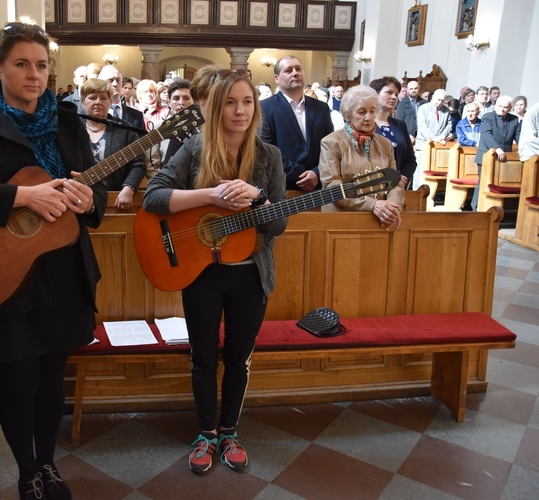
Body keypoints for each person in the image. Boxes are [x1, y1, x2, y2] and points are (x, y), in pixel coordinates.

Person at [0, 21, 106, 500]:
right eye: (22, 64)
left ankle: (48, 464)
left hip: (63, 272)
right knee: (17, 381)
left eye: (42, 65)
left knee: (52, 382)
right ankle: (26, 471)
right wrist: (21, 196)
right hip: (4, 274)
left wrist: (90, 200)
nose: (34, 75)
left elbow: (98, 191)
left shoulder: (68, 122)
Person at [142, 70, 287, 475]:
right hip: (202, 271)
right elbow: (153, 197)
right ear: (216, 105)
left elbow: (276, 225)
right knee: (203, 358)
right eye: (230, 102)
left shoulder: (269, 157)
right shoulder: (194, 148)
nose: (240, 111)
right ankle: (205, 433)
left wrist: (257, 197)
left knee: (238, 359)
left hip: (251, 274)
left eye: (247, 102)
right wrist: (212, 195)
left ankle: (230, 432)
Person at [318, 85, 405, 230]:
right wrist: (373, 204)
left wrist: (392, 208)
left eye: (372, 111)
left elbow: (395, 182)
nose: (368, 117)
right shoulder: (331, 142)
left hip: (379, 221)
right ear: (348, 115)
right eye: (361, 112)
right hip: (341, 221)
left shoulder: (385, 144)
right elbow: (332, 187)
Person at [260, 55, 334, 191]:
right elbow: (266, 149)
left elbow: (330, 146)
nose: (295, 73)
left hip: (317, 185)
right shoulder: (265, 108)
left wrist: (316, 172)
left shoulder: (321, 108)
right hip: (282, 185)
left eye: (298, 69)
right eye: (288, 70)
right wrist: (299, 174)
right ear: (277, 78)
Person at [81, 78, 145, 211]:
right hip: (76, 201)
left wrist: (129, 188)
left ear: (110, 102)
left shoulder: (124, 129)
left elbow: (138, 164)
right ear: (82, 102)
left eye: (104, 98)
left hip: (114, 200)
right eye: (92, 98)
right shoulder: (71, 128)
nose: (98, 102)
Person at [472, 95, 519, 210]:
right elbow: (486, 135)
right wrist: (497, 148)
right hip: (487, 154)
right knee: (483, 182)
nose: (502, 109)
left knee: (500, 184)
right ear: (495, 105)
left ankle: (499, 210)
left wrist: (522, 148)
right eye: (500, 106)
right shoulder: (488, 117)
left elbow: (518, 136)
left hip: (504, 157)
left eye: (505, 107)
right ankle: (476, 208)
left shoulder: (514, 119)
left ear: (510, 108)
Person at [369, 77, 416, 188]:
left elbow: (410, 160)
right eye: (389, 92)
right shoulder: (365, 125)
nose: (394, 97)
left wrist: (402, 178)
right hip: (373, 185)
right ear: (375, 94)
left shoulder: (400, 125)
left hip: (399, 185)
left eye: (396, 94)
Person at [136, 79, 171, 177]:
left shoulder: (165, 111)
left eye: (152, 91)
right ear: (140, 94)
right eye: (145, 91)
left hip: (160, 154)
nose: (149, 94)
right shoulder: (134, 112)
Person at [97, 65, 145, 132]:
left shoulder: (136, 116)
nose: (115, 84)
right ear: (100, 84)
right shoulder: (94, 113)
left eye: (118, 80)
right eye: (110, 80)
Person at [162, 78, 194, 164]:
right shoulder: (159, 126)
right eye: (176, 98)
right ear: (169, 102)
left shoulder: (202, 128)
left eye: (186, 98)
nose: (181, 102)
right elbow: (152, 164)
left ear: (194, 101)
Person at [395, 80, 427, 145]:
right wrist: (407, 135)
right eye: (411, 89)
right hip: (408, 137)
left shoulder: (425, 104)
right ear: (408, 90)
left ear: (419, 88)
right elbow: (399, 122)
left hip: (423, 137)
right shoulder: (402, 104)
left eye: (415, 88)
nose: (413, 90)